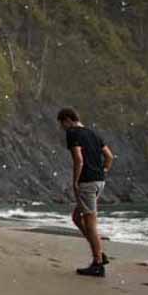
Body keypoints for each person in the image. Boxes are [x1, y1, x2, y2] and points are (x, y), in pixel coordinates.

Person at [56, 107, 115, 277]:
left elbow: (79, 160)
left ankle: (98, 264)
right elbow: (109, 156)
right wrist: (103, 171)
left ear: (67, 120)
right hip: (99, 182)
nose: (62, 128)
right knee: (77, 217)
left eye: (62, 124)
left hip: (87, 182)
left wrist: (75, 181)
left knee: (90, 222)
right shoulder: (93, 133)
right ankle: (100, 254)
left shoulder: (73, 133)